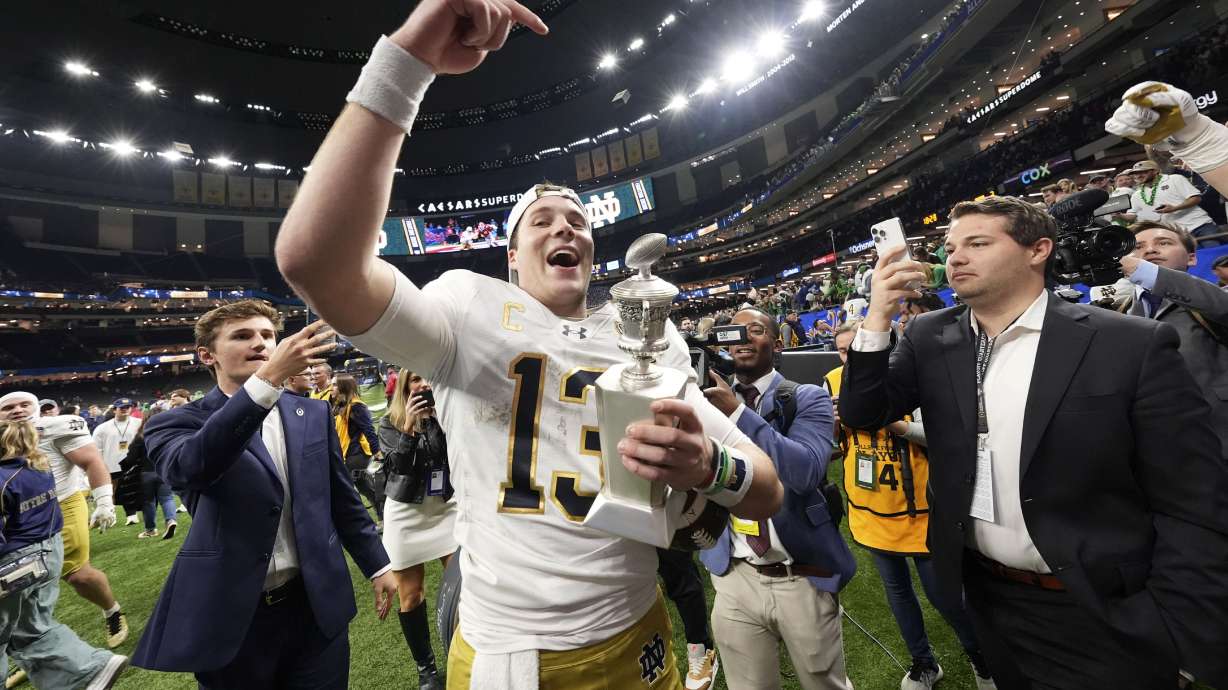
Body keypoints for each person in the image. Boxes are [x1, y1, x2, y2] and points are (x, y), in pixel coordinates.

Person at [273, 1, 783, 684]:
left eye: (576, 220)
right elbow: (315, 260)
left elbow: (765, 489)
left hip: (640, 628)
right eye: (542, 220)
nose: (565, 228)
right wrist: (409, 62)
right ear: (513, 258)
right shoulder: (467, 305)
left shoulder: (642, 336)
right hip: (515, 653)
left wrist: (708, 467)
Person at [839, 194, 1228, 688]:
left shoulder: (1129, 343)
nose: (955, 257)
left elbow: (1192, 501)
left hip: (1101, 603)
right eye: (950, 246)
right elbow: (861, 411)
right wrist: (877, 317)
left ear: (1038, 250)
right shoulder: (931, 337)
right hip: (989, 597)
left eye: (977, 243)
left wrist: (1181, 636)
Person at [131, 302, 396, 688]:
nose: (259, 344)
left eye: (267, 336)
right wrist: (267, 380)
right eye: (242, 336)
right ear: (207, 355)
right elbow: (193, 468)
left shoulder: (311, 413)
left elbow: (341, 499)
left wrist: (378, 565)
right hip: (234, 616)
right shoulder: (176, 422)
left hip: (314, 608)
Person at [828, 323, 994, 689]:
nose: (850, 358)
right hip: (871, 509)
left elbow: (948, 439)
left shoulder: (916, 378)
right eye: (843, 351)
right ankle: (924, 662)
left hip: (922, 511)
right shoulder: (834, 382)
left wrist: (894, 425)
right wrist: (834, 426)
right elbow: (833, 448)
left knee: (947, 597)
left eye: (856, 348)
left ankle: (983, 661)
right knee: (898, 594)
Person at [700, 308, 856, 690]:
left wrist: (736, 413)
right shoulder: (705, 402)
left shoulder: (808, 397)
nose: (743, 338)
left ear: (778, 343)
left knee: (825, 685)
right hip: (734, 574)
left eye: (755, 330)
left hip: (799, 577)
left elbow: (805, 473)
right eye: (734, 331)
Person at [0, 420, 128, 690]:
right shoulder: (38, 467)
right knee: (30, 630)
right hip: (48, 556)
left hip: (13, 564)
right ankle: (86, 671)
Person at [1118, 220, 1228, 459]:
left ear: (1192, 258)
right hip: (1159, 454)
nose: (1149, 250)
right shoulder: (1117, 313)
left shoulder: (1216, 297)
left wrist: (1143, 271)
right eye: (1137, 247)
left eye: (1164, 243)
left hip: (1219, 439)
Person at [378, 369, 456, 689]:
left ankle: (462, 651)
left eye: (427, 378)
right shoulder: (389, 422)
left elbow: (453, 457)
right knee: (410, 596)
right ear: (405, 387)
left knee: (461, 585)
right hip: (406, 514)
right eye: (415, 379)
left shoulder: (448, 413)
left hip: (447, 509)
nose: (422, 384)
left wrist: (438, 419)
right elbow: (397, 469)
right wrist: (410, 428)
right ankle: (426, 669)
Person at [1121, 160, 1221, 246]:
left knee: (1216, 255)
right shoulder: (1137, 194)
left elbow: (1196, 198)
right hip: (1176, 234)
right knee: (1197, 262)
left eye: (1142, 172)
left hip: (1199, 226)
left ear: (1155, 171)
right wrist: (1118, 215)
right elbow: (1132, 215)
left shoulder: (1175, 179)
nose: (1138, 176)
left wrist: (1174, 208)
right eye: (1135, 173)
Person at [119, 408, 178, 540]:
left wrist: (122, 466)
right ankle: (171, 520)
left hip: (146, 473)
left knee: (148, 502)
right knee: (167, 498)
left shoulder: (141, 436)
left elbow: (130, 458)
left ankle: (150, 530)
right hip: (164, 470)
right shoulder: (170, 433)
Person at [333, 374, 384, 525]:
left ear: (343, 387)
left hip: (357, 455)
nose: (332, 388)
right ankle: (382, 515)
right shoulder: (341, 404)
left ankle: (366, 522)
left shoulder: (357, 406)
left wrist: (377, 452)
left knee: (348, 490)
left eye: (335, 385)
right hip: (346, 454)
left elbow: (369, 430)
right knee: (365, 488)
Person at [91, 399, 142, 526]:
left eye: (127, 407)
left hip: (134, 463)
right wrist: (100, 466)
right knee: (111, 493)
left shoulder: (139, 423)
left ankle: (132, 514)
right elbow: (97, 449)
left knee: (132, 490)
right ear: (114, 410)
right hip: (111, 465)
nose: (125, 409)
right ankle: (110, 515)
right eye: (121, 407)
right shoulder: (102, 428)